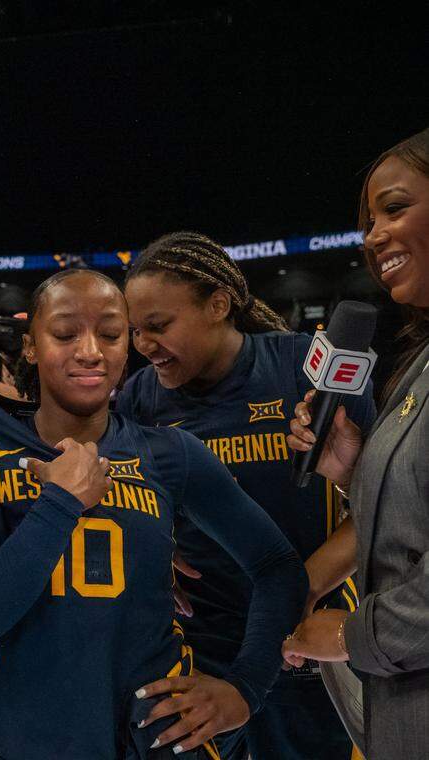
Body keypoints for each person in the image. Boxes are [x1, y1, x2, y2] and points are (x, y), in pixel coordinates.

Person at [0, 269, 307, 759]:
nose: (90, 351)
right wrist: (60, 504)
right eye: (65, 334)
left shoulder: (170, 453)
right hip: (26, 744)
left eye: (111, 334)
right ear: (30, 347)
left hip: (153, 742)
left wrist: (245, 689)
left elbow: (277, 566)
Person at [117, 231, 377, 760]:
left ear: (218, 305)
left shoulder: (307, 367)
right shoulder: (140, 398)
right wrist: (153, 551)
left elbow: (376, 508)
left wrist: (298, 590)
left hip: (307, 639)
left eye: (158, 326)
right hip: (203, 646)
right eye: (135, 330)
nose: (143, 345)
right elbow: (127, 509)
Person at [283, 126, 429, 759]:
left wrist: (350, 635)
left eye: (394, 209)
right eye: (370, 221)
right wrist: (354, 472)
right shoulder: (419, 363)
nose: (373, 236)